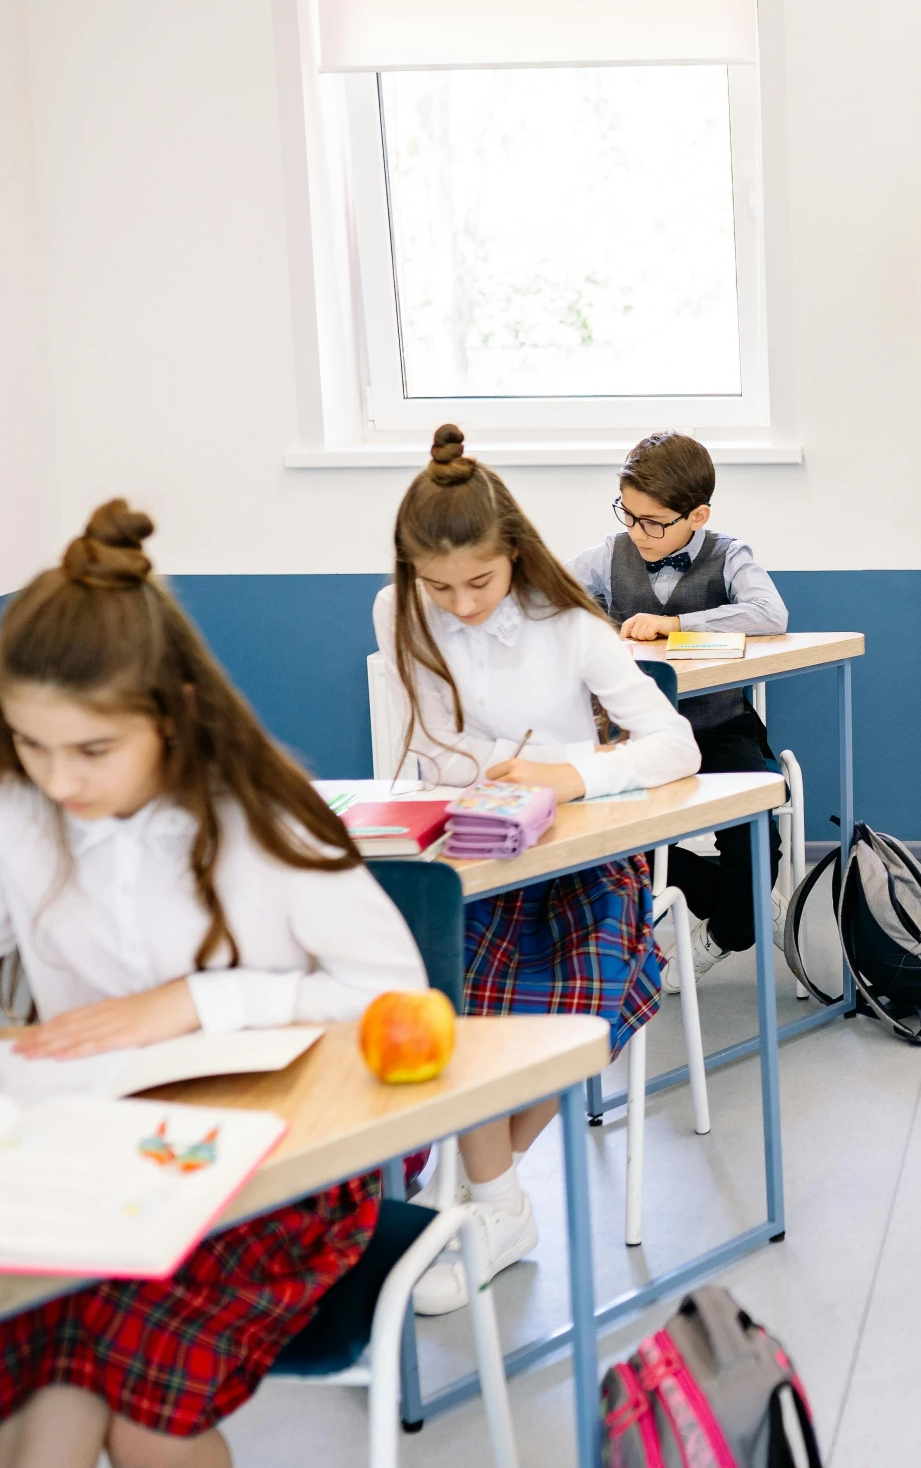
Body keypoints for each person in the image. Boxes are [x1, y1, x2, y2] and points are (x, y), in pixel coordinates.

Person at [0, 501, 427, 1468]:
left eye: (93, 751)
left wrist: (198, 1001)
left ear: (176, 710)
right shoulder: (5, 813)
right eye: (30, 744)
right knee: (50, 1406)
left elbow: (389, 986)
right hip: (81, 1165)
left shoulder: (260, 817)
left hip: (272, 1174)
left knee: (143, 1423)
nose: (58, 780)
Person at [377, 425, 698, 1314]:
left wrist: (571, 772)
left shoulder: (572, 628)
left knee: (567, 1007)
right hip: (471, 854)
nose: (462, 604)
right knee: (452, 1000)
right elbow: (429, 749)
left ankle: (487, 1192)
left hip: (578, 862)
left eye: (479, 581)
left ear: (513, 554)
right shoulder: (400, 609)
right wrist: (470, 772)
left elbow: (675, 745)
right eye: (437, 587)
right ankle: (498, 1201)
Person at [570, 430, 789, 982]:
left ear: (697, 515)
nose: (638, 532)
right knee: (603, 841)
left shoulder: (728, 554)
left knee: (757, 835)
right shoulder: (606, 557)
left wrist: (677, 624)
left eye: (654, 522)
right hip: (638, 738)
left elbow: (769, 615)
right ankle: (736, 905)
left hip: (720, 727)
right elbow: (554, 602)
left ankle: (730, 925)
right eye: (630, 515)